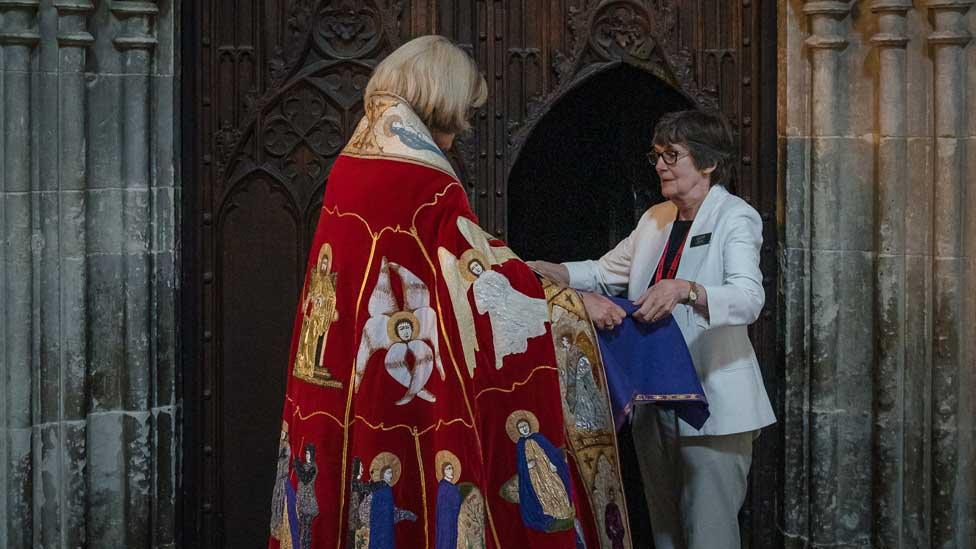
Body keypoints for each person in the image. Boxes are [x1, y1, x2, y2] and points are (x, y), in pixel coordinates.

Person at [269, 35, 630, 548]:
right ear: (441, 96)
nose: (461, 128)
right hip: (409, 373)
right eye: (463, 111)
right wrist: (564, 302)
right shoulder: (422, 177)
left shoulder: (356, 160)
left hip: (357, 368)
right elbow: (475, 274)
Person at [529, 110, 776, 549]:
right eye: (657, 155)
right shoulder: (656, 218)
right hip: (655, 398)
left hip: (713, 404)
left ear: (708, 163)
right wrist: (558, 272)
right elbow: (605, 273)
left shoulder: (735, 217)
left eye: (672, 155)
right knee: (664, 532)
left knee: (708, 535)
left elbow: (748, 298)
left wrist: (688, 290)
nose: (660, 164)